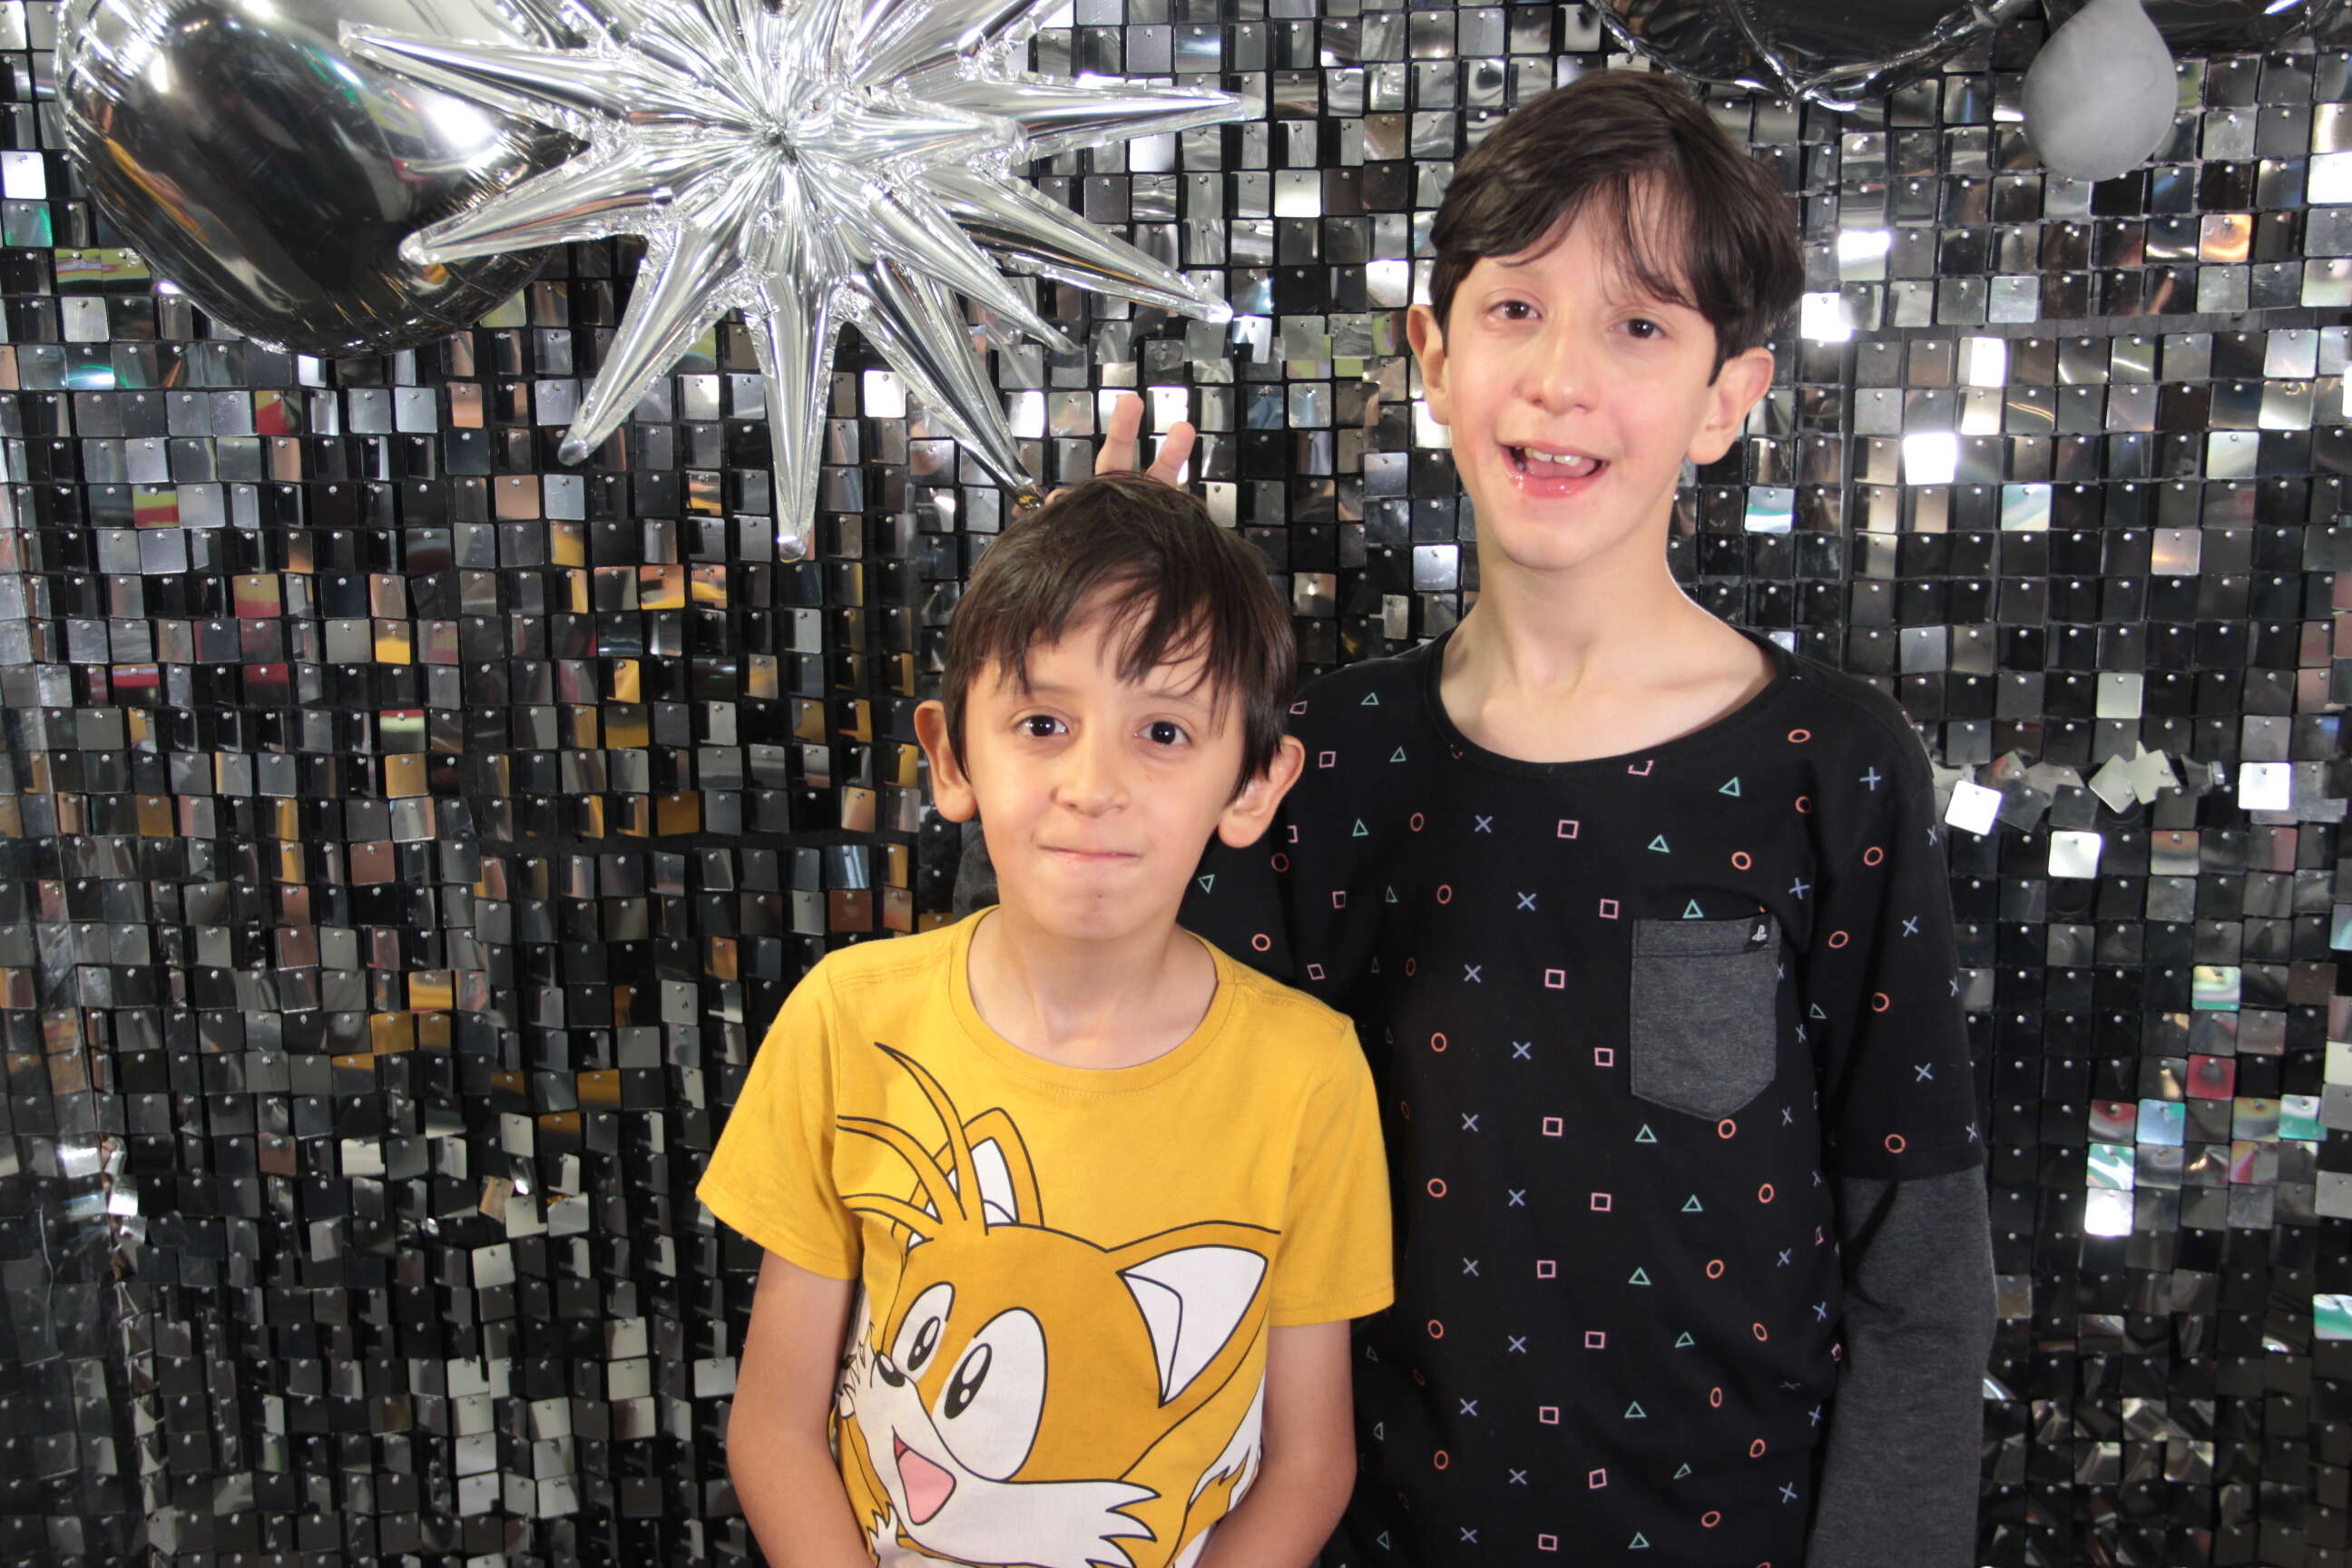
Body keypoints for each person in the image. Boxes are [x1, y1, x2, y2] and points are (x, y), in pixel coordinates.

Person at [1086, 69, 1994, 1567]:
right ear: (1435, 358)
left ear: (1725, 399)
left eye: (1638, 326)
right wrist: (1102, 678)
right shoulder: (1318, 759)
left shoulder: (1829, 764)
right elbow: (1120, 1082)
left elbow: (1920, 1271)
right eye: (1517, 308)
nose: (1563, 377)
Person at [701, 472, 1396, 1568]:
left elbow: (1309, 1462)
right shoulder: (847, 1020)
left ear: (1253, 785)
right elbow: (776, 1427)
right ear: (952, 757)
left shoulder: (1308, 1074)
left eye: (1162, 731)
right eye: (1042, 723)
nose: (1092, 783)